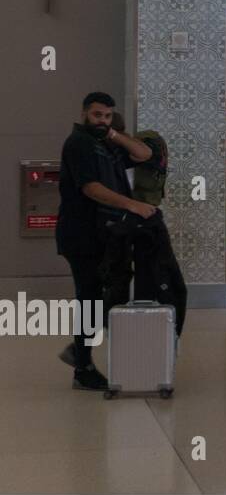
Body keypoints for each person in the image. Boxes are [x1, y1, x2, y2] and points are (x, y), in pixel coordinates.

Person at [55, 92, 157, 390]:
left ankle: (80, 351)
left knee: (112, 291)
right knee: (89, 296)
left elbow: (144, 155)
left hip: (107, 233)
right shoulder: (79, 144)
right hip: (81, 234)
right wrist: (131, 204)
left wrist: (114, 134)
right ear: (85, 113)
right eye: (97, 115)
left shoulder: (105, 143)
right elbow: (91, 188)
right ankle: (83, 368)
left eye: (107, 116)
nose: (102, 120)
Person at [104, 112, 188, 338]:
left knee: (123, 285)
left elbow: (145, 153)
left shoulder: (120, 152)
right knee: (159, 284)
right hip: (141, 222)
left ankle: (120, 339)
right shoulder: (146, 144)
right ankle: (160, 339)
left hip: (127, 223)